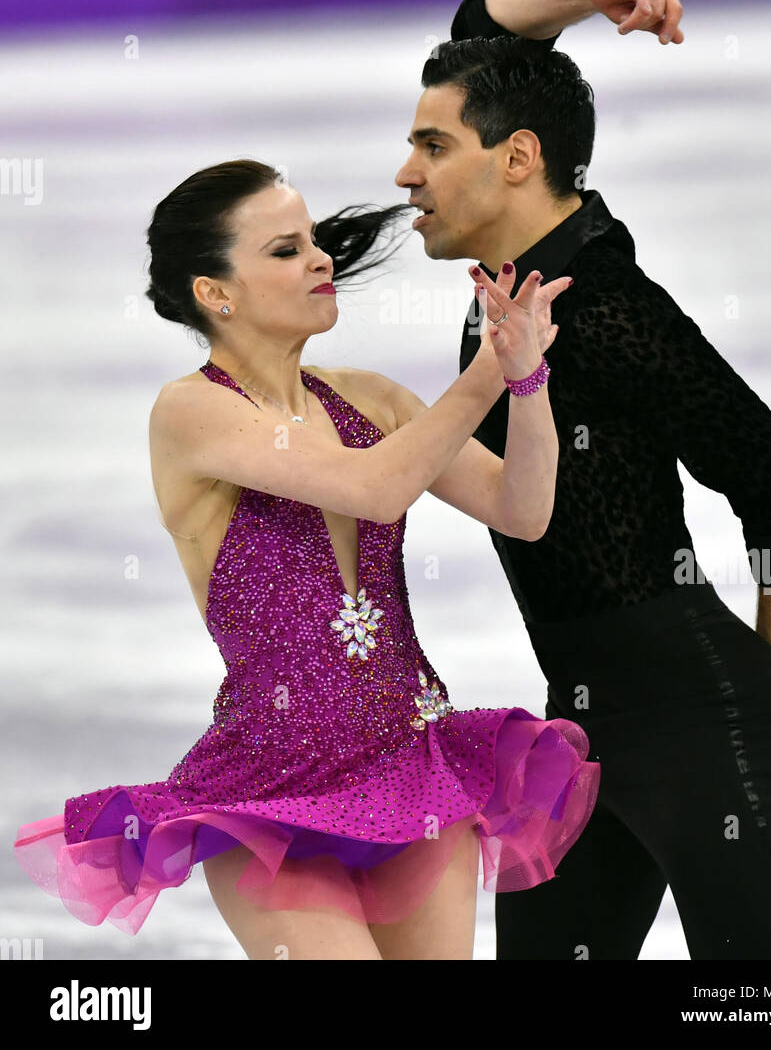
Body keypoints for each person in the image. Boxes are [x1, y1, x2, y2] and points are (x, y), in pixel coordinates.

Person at [13, 159, 601, 961]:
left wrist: (528, 379)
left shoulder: (372, 399)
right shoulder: (191, 413)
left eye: (316, 241)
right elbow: (378, 487)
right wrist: (484, 373)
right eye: (286, 250)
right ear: (214, 292)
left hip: (412, 765)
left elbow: (522, 511)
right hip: (271, 795)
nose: (323, 260)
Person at [390, 0, 771, 960]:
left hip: (699, 718)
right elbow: (485, 29)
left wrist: (770, 645)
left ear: (517, 158)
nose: (404, 174)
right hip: (582, 728)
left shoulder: (603, 309)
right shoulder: (524, 273)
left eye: (430, 146)